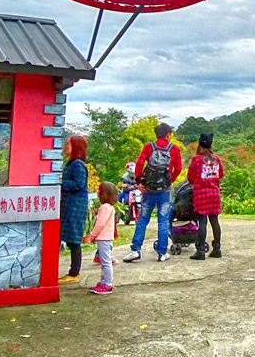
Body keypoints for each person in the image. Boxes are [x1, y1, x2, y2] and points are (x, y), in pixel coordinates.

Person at [123, 122, 182, 263]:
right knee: (163, 221)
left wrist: (139, 182)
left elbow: (139, 163)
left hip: (148, 189)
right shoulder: (174, 149)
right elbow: (178, 169)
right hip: (164, 191)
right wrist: (169, 181)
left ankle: (135, 250)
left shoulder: (149, 147)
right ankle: (162, 253)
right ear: (168, 135)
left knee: (142, 220)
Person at [187, 133, 225, 260]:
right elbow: (221, 175)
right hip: (214, 194)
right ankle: (217, 249)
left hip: (201, 194)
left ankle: (201, 250)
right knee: (214, 221)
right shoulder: (216, 159)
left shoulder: (196, 159)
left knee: (202, 222)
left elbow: (190, 178)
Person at [58, 135, 89, 284]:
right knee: (69, 239)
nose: (65, 146)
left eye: (68, 143)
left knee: (74, 241)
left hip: (75, 208)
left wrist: (59, 183)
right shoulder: (71, 164)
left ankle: (74, 272)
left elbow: (78, 184)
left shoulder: (77, 165)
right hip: (68, 206)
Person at [87, 182, 118, 295]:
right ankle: (103, 282)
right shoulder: (110, 207)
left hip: (103, 238)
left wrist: (92, 235)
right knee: (104, 262)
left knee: (106, 262)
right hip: (106, 238)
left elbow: (100, 224)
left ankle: (107, 284)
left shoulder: (104, 207)